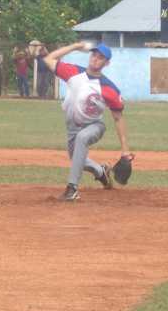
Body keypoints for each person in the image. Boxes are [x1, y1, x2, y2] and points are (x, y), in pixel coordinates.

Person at [43, 42, 132, 202]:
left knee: (83, 138)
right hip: (72, 128)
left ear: (107, 63)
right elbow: (49, 59)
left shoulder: (108, 88)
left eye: (101, 57)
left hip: (94, 126)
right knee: (78, 159)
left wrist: (125, 150)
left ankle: (72, 190)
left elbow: (118, 118)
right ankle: (101, 171)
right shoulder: (73, 72)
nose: (95, 59)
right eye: (94, 55)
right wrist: (75, 46)